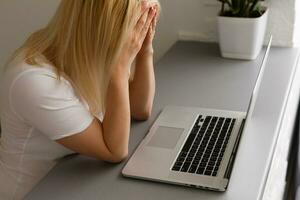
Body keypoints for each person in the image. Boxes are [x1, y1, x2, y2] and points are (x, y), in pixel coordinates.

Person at [0, 0, 160, 199]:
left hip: (75, 181)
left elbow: (140, 109)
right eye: (136, 25)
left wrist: (145, 49)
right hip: (34, 192)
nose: (136, 33)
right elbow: (114, 151)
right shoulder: (32, 81)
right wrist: (119, 69)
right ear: (105, 27)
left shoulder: (94, 52)